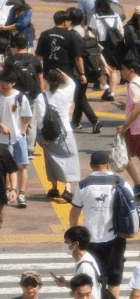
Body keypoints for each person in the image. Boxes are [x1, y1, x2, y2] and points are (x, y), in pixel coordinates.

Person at [69, 151, 134, 299]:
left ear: (91, 165)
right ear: (108, 165)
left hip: (89, 240)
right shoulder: (120, 182)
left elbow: (74, 212)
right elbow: (132, 208)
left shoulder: (83, 185)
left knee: (91, 279)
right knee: (114, 280)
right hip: (115, 238)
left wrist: (73, 234)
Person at [36, 11, 97, 133]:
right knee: (65, 100)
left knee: (51, 97)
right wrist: (82, 74)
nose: (70, 23)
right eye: (69, 21)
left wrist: (39, 73)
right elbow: (78, 57)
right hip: (66, 74)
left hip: (49, 74)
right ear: (65, 22)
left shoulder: (45, 34)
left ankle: (51, 120)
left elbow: (38, 56)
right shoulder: (71, 36)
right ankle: (63, 122)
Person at [35, 69, 80, 203]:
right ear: (60, 80)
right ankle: (68, 189)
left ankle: (54, 188)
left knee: (50, 160)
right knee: (70, 158)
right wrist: (60, 71)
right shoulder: (67, 92)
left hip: (49, 134)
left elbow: (40, 119)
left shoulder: (41, 97)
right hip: (66, 132)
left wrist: (42, 134)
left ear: (47, 81)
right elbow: (71, 82)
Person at [118, 60, 140, 196]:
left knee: (125, 157)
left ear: (131, 70)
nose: (121, 72)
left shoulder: (133, 86)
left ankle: (138, 185)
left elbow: (137, 107)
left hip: (136, 127)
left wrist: (125, 125)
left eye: (123, 69)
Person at [0, 70, 32, 209]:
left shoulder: (20, 97)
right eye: (3, 81)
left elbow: (26, 117)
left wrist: (22, 134)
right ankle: (7, 192)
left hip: (18, 138)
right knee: (5, 167)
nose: (4, 84)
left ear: (14, 83)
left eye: (8, 82)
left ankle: (21, 194)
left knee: (21, 166)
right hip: (2, 140)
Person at [88, 0, 123, 103]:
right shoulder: (116, 15)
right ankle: (112, 93)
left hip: (101, 45)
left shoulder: (95, 16)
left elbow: (93, 33)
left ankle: (106, 87)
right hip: (115, 45)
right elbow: (121, 31)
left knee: (100, 69)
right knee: (113, 70)